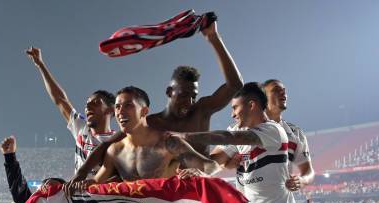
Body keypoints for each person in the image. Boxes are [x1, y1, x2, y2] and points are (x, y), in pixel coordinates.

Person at [68, 20, 243, 183]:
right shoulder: (151, 124)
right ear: (169, 92)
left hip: (200, 188)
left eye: (193, 96)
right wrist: (81, 174)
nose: (188, 101)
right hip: (169, 196)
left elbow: (235, 85)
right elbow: (106, 145)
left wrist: (214, 38)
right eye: (182, 95)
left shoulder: (201, 111)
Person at [90, 86, 219, 183]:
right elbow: (95, 183)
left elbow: (211, 165)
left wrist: (201, 173)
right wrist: (79, 185)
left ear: (144, 111)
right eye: (117, 107)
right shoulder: (114, 151)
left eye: (128, 105)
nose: (120, 111)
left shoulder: (168, 143)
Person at [26, 47, 116, 175]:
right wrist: (41, 65)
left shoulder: (117, 140)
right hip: (78, 194)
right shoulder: (81, 128)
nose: (88, 107)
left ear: (110, 110)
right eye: (87, 104)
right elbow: (61, 100)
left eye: (95, 103)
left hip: (103, 193)